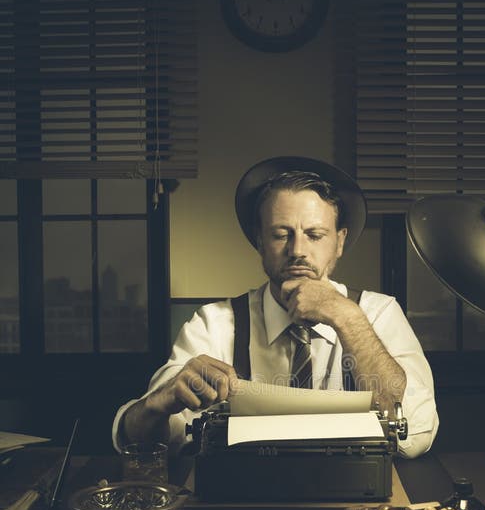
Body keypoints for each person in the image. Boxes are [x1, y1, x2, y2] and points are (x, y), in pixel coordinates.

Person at [112, 156, 438, 458]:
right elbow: (146, 441)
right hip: (244, 508)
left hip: (355, 505)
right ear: (259, 241)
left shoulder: (378, 313)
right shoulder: (214, 324)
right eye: (282, 234)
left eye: (314, 234)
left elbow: (417, 433)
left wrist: (348, 317)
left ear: (339, 242)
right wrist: (157, 406)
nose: (297, 250)